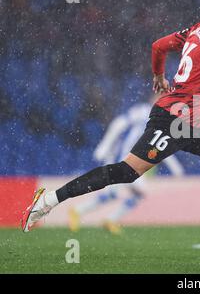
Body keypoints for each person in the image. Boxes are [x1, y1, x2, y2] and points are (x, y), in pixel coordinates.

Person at [22, 0, 200, 257]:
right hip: (172, 120)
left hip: (192, 124)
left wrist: (158, 75)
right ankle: (48, 201)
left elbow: (159, 46)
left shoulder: (198, 29)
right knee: (126, 172)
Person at [68, 101, 185, 235]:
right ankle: (80, 211)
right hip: (125, 156)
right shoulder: (144, 110)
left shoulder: (163, 119)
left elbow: (160, 145)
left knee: (135, 193)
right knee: (118, 192)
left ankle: (104, 218)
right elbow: (119, 123)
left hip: (136, 158)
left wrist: (174, 166)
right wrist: (105, 145)